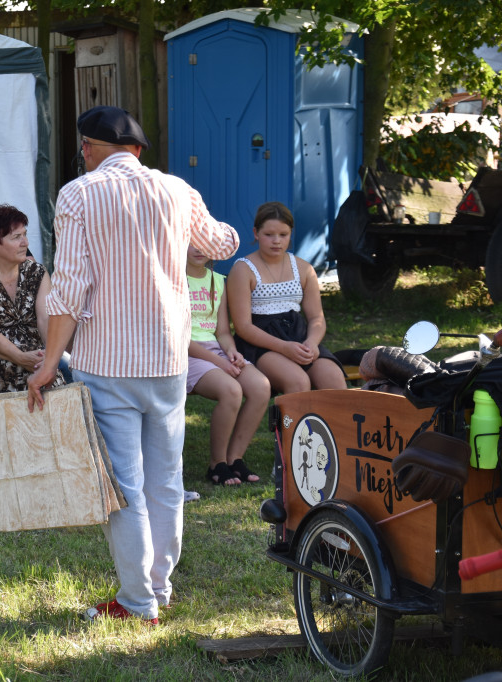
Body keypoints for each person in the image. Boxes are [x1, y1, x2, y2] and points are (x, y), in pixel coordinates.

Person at [27, 106, 239, 624]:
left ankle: (138, 601)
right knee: (165, 480)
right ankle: (158, 590)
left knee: (123, 484)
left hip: (109, 360)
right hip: (168, 355)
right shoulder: (176, 189)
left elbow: (70, 286)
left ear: (88, 148)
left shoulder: (78, 193)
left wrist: (50, 362)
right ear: (139, 150)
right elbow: (223, 243)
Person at [227, 201, 346, 395]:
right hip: (260, 342)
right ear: (256, 233)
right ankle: (292, 426)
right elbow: (243, 326)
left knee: (333, 378)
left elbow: (316, 317)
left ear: (290, 234)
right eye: (269, 235)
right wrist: (283, 347)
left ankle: (335, 426)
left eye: (283, 235)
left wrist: (312, 343)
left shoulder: (304, 269)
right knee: (298, 381)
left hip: (297, 336)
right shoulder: (243, 269)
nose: (277, 241)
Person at [186, 245, 270, 486]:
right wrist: (220, 363)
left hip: (215, 351)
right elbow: (180, 338)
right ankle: (217, 464)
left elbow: (222, 331)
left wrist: (231, 353)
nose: (199, 249)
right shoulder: (174, 279)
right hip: (186, 353)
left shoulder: (218, 281)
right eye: (193, 242)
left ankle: (235, 459)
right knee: (231, 390)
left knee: (260, 386)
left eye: (205, 243)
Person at [0, 204, 64, 398]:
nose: (25, 242)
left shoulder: (37, 272)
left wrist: (49, 358)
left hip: (34, 355)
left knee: (51, 377)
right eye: (16, 237)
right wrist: (21, 358)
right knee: (20, 377)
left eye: (24, 235)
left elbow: (45, 321)